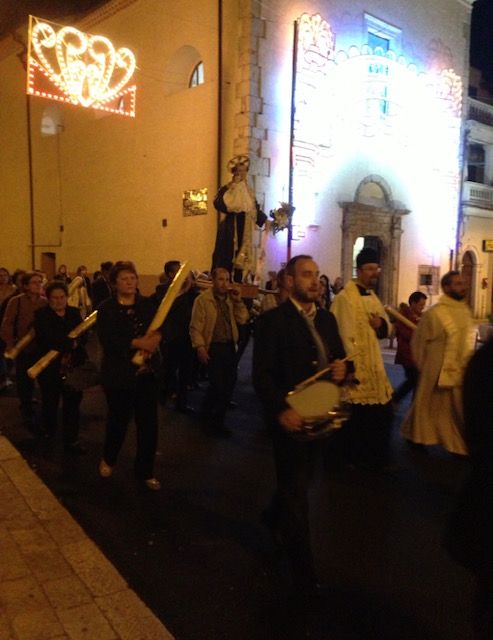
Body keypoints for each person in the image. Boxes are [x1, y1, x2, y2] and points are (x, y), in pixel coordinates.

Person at [253, 254, 347, 592]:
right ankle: (303, 572)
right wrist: (281, 409)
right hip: (290, 419)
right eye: (307, 275)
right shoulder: (272, 322)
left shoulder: (327, 319)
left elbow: (338, 356)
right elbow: (261, 376)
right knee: (296, 492)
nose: (315, 281)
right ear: (290, 281)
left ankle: (272, 515)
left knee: (300, 483)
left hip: (319, 417)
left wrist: (342, 369)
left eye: (317, 275)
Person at [97, 261, 162, 490]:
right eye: (124, 279)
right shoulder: (107, 308)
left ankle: (145, 471)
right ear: (115, 283)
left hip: (146, 373)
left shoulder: (147, 304)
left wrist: (153, 341)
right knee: (118, 421)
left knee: (148, 424)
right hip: (119, 374)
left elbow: (159, 327)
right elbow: (108, 338)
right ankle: (109, 458)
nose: (130, 282)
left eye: (133, 278)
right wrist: (136, 342)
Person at [330, 248, 394, 471]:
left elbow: (386, 326)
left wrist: (382, 326)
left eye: (376, 268)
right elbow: (340, 333)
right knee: (355, 418)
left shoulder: (373, 297)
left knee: (380, 414)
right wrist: (349, 365)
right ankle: (350, 458)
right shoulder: (344, 298)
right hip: (355, 369)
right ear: (359, 269)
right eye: (369, 269)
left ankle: (374, 458)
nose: (374, 273)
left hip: (374, 366)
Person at [401, 271, 475, 455]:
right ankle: (417, 436)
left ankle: (455, 444)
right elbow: (419, 341)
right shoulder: (435, 313)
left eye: (463, 283)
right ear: (446, 287)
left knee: (454, 410)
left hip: (459, 368)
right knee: (426, 405)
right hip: (434, 368)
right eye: (457, 283)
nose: (463, 286)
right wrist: (424, 366)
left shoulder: (465, 311)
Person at [189, 267, 249, 436]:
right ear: (213, 281)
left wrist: (238, 301)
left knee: (229, 384)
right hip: (213, 347)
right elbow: (195, 327)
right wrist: (200, 347)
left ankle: (217, 420)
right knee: (217, 385)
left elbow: (243, 318)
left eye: (227, 279)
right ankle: (208, 420)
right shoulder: (203, 300)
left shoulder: (231, 300)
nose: (224, 283)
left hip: (230, 347)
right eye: (221, 279)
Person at [33, 281, 86, 453]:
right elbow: (47, 339)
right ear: (48, 299)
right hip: (50, 368)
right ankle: (49, 435)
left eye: (62, 297)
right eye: (54, 298)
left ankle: (72, 440)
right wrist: (71, 343)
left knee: (73, 404)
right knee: (50, 402)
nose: (59, 301)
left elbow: (83, 336)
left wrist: (72, 343)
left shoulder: (74, 313)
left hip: (73, 366)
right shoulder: (41, 315)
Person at [0, 271, 47, 430]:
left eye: (40, 282)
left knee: (42, 377)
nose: (38, 285)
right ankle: (26, 405)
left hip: (41, 347)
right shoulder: (16, 301)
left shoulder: (45, 302)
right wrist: (10, 343)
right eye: (34, 282)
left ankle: (40, 405)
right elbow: (7, 324)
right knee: (23, 378)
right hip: (23, 347)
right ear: (26, 286)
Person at [211, 156, 267, 282]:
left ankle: (239, 280)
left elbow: (255, 210)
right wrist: (231, 191)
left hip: (245, 228)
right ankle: (224, 279)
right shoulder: (227, 189)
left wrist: (268, 221)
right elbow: (218, 203)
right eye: (238, 170)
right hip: (230, 228)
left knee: (243, 257)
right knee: (227, 254)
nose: (241, 173)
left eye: (243, 171)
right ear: (234, 171)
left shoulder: (249, 192)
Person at [393, 291, 427, 404]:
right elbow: (406, 334)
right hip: (407, 355)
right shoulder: (403, 316)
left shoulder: (421, 317)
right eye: (420, 305)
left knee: (416, 380)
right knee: (414, 379)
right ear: (412, 303)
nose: (422, 308)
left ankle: (414, 405)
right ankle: (396, 399)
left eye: (423, 305)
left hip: (417, 356)